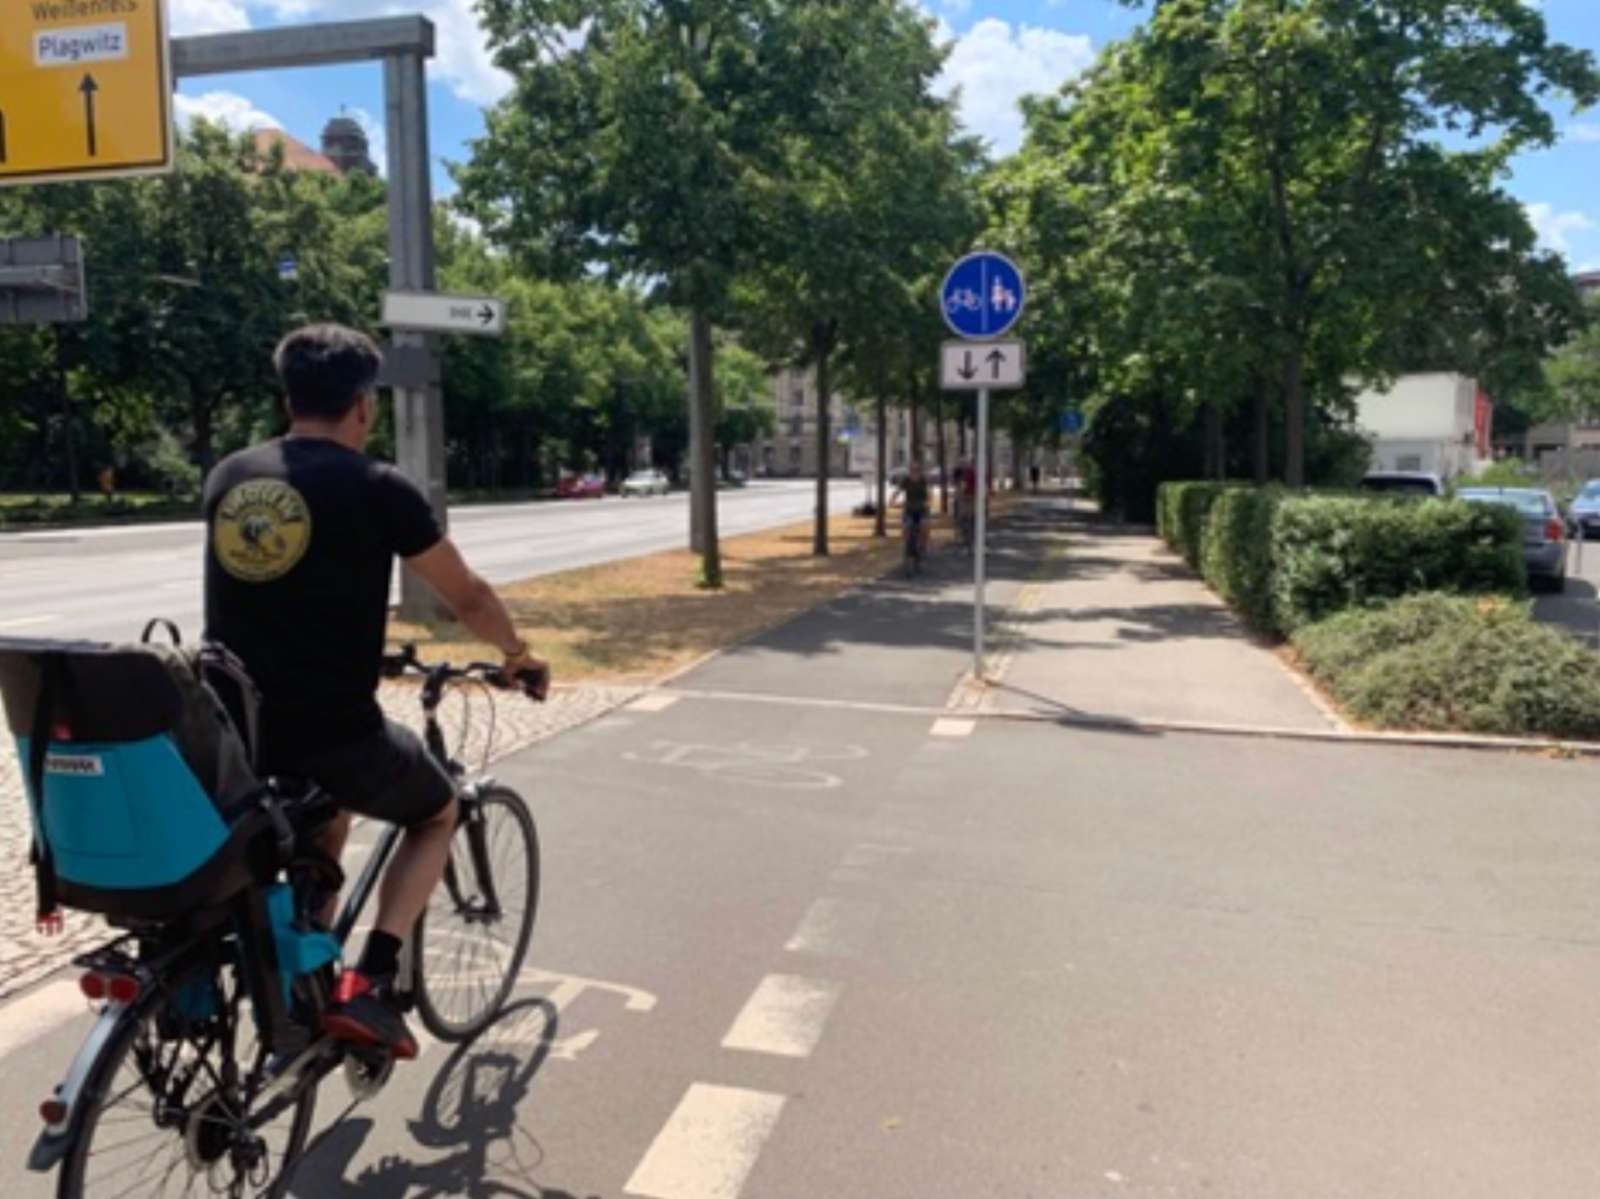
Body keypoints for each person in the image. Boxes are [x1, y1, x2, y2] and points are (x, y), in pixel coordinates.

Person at [203, 324, 549, 1060]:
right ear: (364, 405)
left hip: (235, 731)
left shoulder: (231, 476)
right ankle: (373, 977)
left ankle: (307, 972)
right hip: (333, 729)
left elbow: (279, 590)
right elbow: (468, 594)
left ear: (287, 395)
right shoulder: (376, 486)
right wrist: (516, 654)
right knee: (436, 810)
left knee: (325, 812)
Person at [891, 461, 932, 560]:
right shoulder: (906, 480)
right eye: (912, 470)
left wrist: (928, 502)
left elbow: (929, 493)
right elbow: (898, 491)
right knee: (906, 527)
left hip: (922, 509)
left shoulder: (924, 480)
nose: (914, 472)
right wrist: (892, 500)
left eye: (917, 470)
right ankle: (906, 545)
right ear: (909, 471)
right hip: (909, 509)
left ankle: (923, 547)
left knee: (924, 526)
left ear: (920, 471)